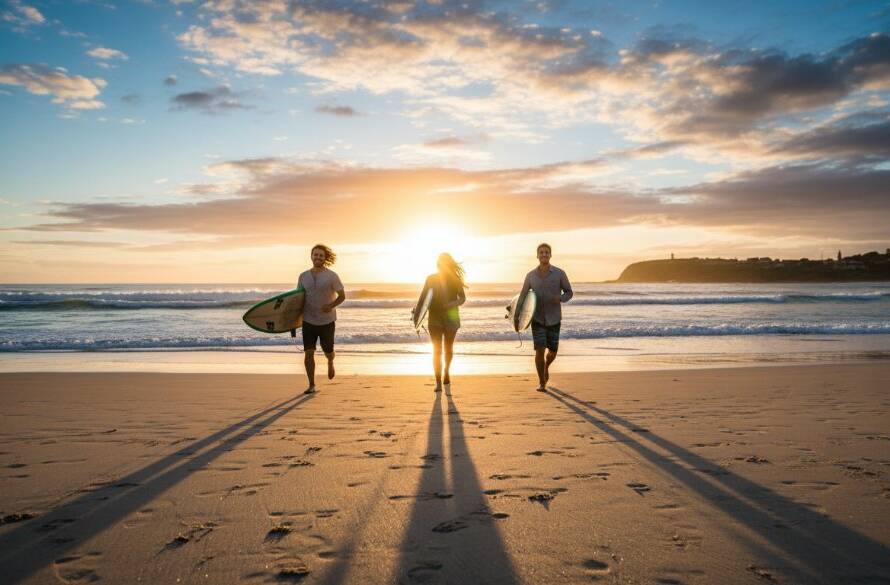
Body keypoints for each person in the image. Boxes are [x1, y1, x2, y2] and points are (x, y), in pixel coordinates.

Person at [516, 243, 573, 392]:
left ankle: (546, 366)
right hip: (537, 319)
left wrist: (560, 298)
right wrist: (517, 315)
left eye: (546, 252)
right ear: (537, 255)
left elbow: (569, 292)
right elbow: (523, 296)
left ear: (550, 255)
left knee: (552, 351)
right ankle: (542, 382)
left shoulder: (559, 273)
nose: (544, 254)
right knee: (539, 350)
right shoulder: (530, 276)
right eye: (541, 252)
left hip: (554, 318)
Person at [297, 244, 345, 394]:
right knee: (308, 352)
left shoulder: (332, 276)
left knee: (328, 350)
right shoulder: (303, 276)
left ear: (325, 258)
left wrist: (331, 305)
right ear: (311, 256)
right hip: (308, 320)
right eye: (315, 254)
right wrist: (292, 320)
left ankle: (330, 360)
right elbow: (298, 299)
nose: (318, 257)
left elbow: (342, 296)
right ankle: (311, 385)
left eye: (321, 255)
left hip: (327, 321)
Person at [415, 253, 467, 392]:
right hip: (435, 317)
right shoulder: (431, 278)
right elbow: (423, 298)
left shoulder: (455, 279)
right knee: (436, 350)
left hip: (451, 316)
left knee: (448, 348)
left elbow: (462, 298)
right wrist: (417, 315)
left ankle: (446, 371)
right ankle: (438, 382)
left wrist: (451, 304)